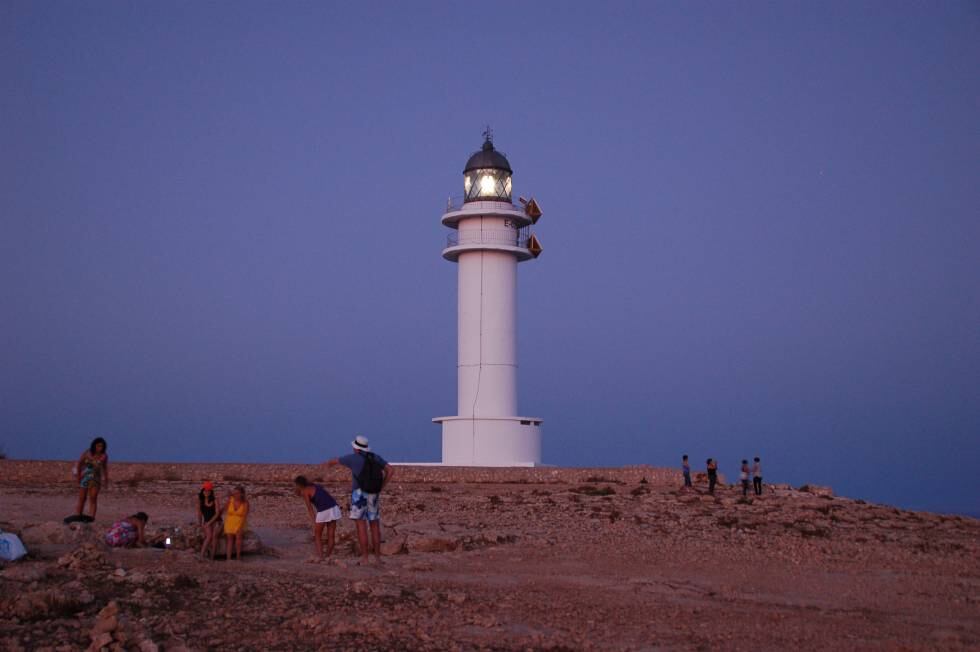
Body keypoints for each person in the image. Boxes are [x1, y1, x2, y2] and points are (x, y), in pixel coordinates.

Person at [324, 435, 395, 564]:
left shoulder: (352, 458)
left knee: (361, 525)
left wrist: (324, 467)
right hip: (374, 493)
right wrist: (381, 486)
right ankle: (378, 558)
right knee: (374, 525)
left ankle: (365, 558)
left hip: (359, 494)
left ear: (356, 448)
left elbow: (334, 461)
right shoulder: (375, 457)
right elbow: (390, 470)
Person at [294, 475, 342, 561]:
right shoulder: (315, 485)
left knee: (317, 535)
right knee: (331, 535)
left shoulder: (305, 492)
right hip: (334, 507)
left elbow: (310, 508)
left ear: (298, 485)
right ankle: (327, 556)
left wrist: (314, 521)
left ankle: (321, 557)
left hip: (324, 510)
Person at [74, 437, 110, 520]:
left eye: (101, 446)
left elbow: (104, 468)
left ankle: (91, 517)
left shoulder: (104, 456)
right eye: (98, 446)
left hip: (96, 479)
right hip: (85, 477)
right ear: (94, 446)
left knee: (93, 498)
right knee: (82, 498)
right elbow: (79, 464)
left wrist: (106, 479)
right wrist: (78, 477)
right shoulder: (87, 453)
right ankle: (78, 515)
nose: (100, 448)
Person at [223, 486, 249, 561]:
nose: (235, 495)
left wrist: (240, 526)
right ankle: (228, 558)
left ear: (242, 494)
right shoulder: (231, 500)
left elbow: (245, 516)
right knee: (229, 539)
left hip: (240, 522)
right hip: (229, 521)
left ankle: (238, 557)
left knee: (238, 538)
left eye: (237, 493)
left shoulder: (245, 503)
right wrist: (228, 499)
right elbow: (224, 509)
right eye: (234, 493)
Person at [197, 481, 221, 559]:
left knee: (214, 536)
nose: (206, 492)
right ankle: (202, 555)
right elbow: (199, 514)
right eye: (205, 490)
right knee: (209, 536)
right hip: (207, 521)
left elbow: (217, 513)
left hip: (216, 520)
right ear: (202, 491)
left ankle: (212, 557)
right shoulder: (200, 501)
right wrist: (200, 524)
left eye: (208, 491)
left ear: (211, 492)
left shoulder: (215, 500)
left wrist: (209, 522)